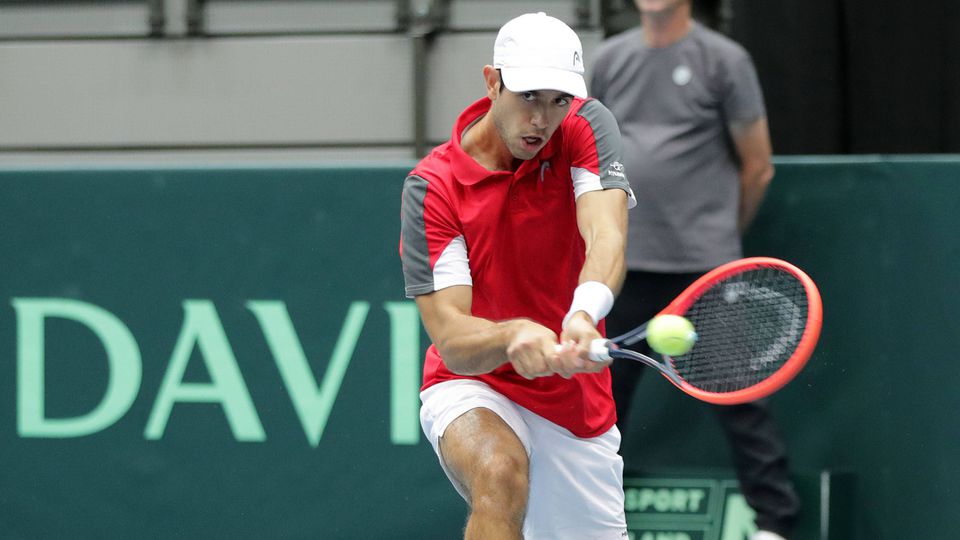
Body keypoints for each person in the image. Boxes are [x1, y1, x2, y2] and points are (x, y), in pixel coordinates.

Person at [399, 12, 636, 540]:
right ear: (492, 83)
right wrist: (511, 335)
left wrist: (583, 311)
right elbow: (455, 340)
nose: (543, 119)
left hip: (574, 401)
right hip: (473, 383)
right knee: (499, 472)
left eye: (558, 100)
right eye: (528, 96)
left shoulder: (585, 127)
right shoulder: (433, 188)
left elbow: (606, 235)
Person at [589, 1, 801, 540]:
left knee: (740, 398)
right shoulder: (610, 60)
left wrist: (716, 236)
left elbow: (758, 166)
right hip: (625, 268)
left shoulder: (724, 60)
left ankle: (774, 525)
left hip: (705, 270)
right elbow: (589, 155)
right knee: (598, 409)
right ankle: (585, 522)